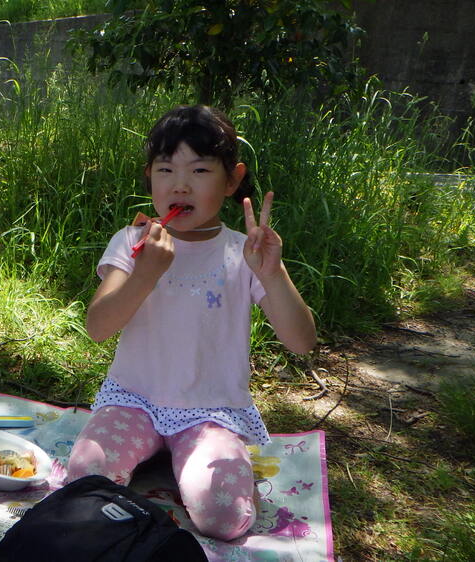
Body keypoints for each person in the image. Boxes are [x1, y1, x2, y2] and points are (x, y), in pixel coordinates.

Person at [67, 105, 316, 541]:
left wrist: (271, 274)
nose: (180, 184)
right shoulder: (132, 241)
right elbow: (98, 327)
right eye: (166, 169)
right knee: (84, 479)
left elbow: (301, 341)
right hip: (134, 399)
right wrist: (145, 271)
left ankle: (207, 464)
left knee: (225, 519)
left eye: (199, 170)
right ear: (150, 177)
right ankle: (156, 455)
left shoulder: (243, 253)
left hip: (211, 412)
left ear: (232, 180)